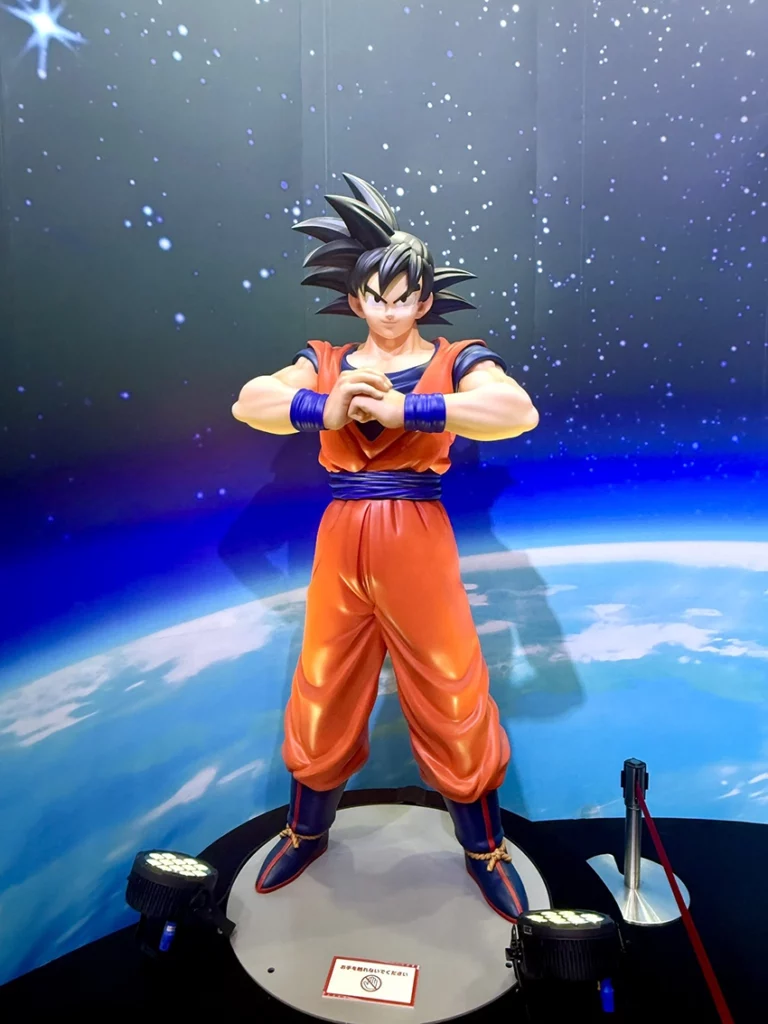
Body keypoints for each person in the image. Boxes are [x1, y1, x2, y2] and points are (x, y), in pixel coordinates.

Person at [232, 173, 539, 921]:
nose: (390, 309)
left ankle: (484, 849)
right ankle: (306, 832)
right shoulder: (323, 359)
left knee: (451, 686)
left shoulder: (458, 358)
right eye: (377, 296)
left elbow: (515, 410)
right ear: (357, 299)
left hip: (416, 533)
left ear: (424, 301)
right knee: (323, 684)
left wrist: (413, 408)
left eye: (405, 297)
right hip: (342, 536)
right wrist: (321, 405)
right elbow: (251, 401)